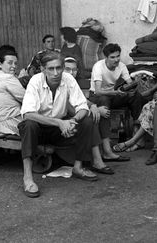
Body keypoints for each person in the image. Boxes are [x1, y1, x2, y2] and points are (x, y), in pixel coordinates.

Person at [19, 52, 98, 198]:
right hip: (39, 128)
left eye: (59, 68)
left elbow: (82, 107)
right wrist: (60, 123)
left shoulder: (68, 79)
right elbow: (28, 113)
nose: (56, 73)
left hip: (59, 130)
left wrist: (72, 122)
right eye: (51, 69)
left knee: (86, 120)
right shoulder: (35, 81)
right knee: (28, 125)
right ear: (43, 69)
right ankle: (28, 178)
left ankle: (78, 167)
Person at [63, 57, 120, 174]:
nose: (71, 72)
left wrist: (93, 106)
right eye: (67, 69)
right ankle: (97, 160)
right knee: (91, 117)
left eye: (74, 70)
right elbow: (71, 110)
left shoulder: (73, 83)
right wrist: (95, 110)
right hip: (67, 118)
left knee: (100, 109)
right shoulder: (61, 83)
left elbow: (82, 100)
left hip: (78, 113)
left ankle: (106, 150)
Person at [88, 43, 144, 161]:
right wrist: (116, 93)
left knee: (136, 96)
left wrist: (133, 87)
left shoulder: (121, 66)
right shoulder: (99, 66)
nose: (116, 59)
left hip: (113, 95)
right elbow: (98, 91)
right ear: (106, 58)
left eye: (118, 56)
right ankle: (106, 149)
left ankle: (137, 133)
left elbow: (129, 82)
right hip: (96, 97)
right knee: (104, 99)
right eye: (112, 57)